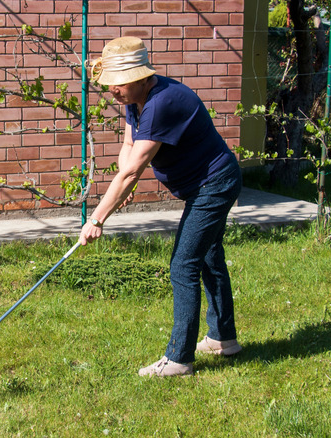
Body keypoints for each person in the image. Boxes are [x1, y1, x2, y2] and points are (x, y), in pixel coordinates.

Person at [79, 37, 243, 377]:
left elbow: (134, 167)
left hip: (214, 185)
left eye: (117, 83)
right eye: (109, 83)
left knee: (183, 264)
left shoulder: (162, 103)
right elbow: (129, 145)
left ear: (140, 77)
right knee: (209, 256)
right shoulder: (134, 99)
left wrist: (97, 218)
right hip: (206, 185)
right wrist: (128, 182)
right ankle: (223, 339)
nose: (112, 90)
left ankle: (179, 358)